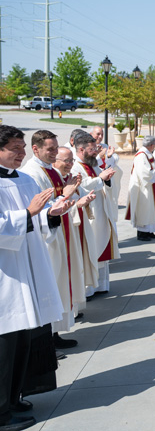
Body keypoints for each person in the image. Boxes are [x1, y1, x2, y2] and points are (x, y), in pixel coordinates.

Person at [0, 124, 71, 431]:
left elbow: (37, 220)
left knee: (23, 338)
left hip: (29, 267)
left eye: (22, 148)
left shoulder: (26, 179)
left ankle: (13, 398)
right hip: (7, 274)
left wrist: (51, 214)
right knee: (5, 343)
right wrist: (28, 213)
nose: (21, 153)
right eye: (14, 149)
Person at [20, 131, 86, 349]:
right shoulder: (31, 174)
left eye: (56, 148)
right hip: (45, 240)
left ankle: (54, 333)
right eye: (50, 149)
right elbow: (39, 210)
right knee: (51, 285)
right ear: (35, 149)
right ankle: (47, 338)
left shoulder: (49, 170)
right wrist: (65, 195)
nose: (54, 153)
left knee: (60, 283)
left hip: (59, 234)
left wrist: (70, 196)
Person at [71, 133, 119, 298]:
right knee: (90, 249)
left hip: (101, 211)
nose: (95, 153)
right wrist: (100, 178)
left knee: (101, 245)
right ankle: (88, 288)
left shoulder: (92, 164)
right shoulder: (75, 166)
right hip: (89, 214)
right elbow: (80, 187)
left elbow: (101, 181)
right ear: (81, 149)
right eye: (92, 150)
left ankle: (100, 285)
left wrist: (106, 179)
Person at [54, 147, 99, 310]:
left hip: (75, 229)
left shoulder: (70, 178)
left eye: (72, 161)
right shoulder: (55, 180)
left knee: (76, 269)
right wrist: (77, 205)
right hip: (63, 232)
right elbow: (52, 209)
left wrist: (83, 201)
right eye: (67, 161)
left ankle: (76, 307)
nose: (70, 164)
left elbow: (76, 199)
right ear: (55, 160)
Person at [125, 135, 155, 242]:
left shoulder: (147, 153)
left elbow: (153, 168)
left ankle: (150, 231)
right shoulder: (141, 155)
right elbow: (144, 173)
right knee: (144, 210)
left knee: (150, 210)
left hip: (150, 186)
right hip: (143, 188)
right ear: (151, 145)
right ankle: (142, 234)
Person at [91, 126, 123, 209]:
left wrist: (109, 156)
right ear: (91, 134)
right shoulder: (88, 147)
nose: (100, 137)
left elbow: (115, 159)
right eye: (98, 134)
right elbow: (90, 164)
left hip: (106, 180)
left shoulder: (104, 146)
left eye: (102, 134)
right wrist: (99, 156)